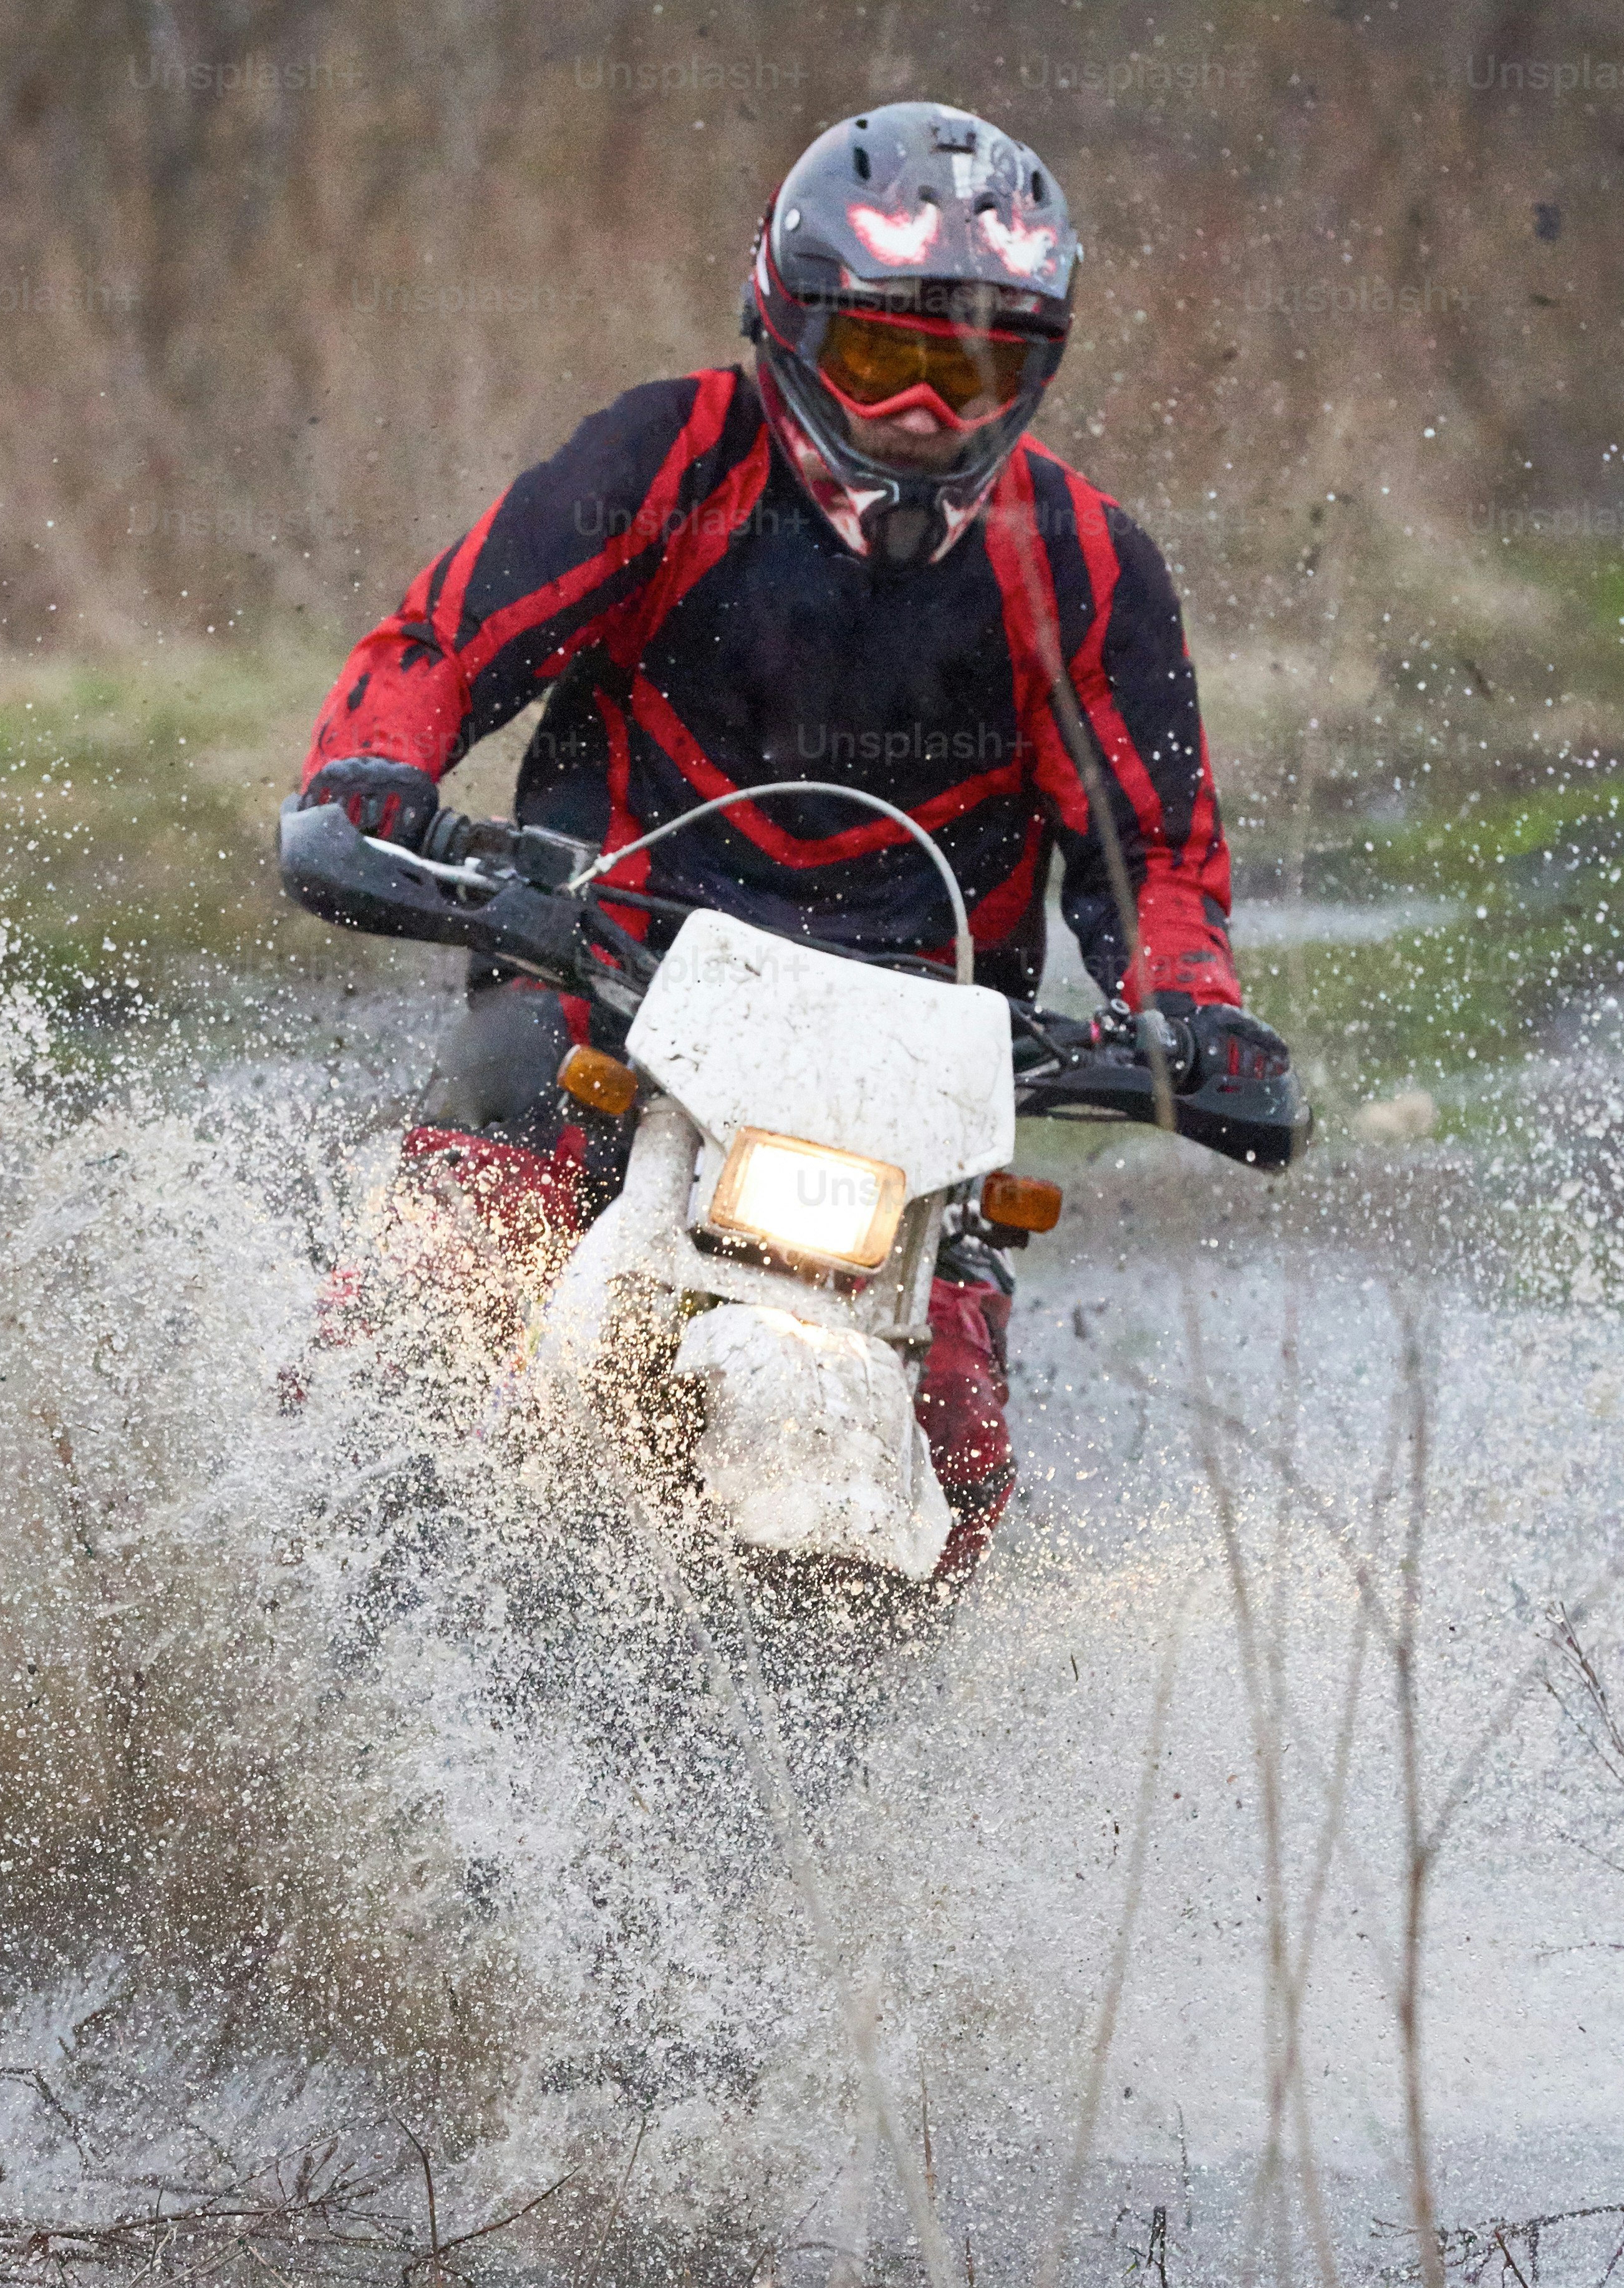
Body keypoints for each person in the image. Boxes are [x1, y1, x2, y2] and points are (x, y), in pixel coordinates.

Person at [296, 100, 1277, 1582]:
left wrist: (1191, 1009)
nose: (926, 417)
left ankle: (876, 1763)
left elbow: (1159, 860)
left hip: (916, 1059)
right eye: (888, 361)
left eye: (978, 371)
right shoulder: (672, 452)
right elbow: (442, 638)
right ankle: (286, 1582)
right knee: (439, 1289)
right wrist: (372, 775)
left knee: (954, 1424)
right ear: (793, 324)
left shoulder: (1083, 561)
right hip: (603, 974)